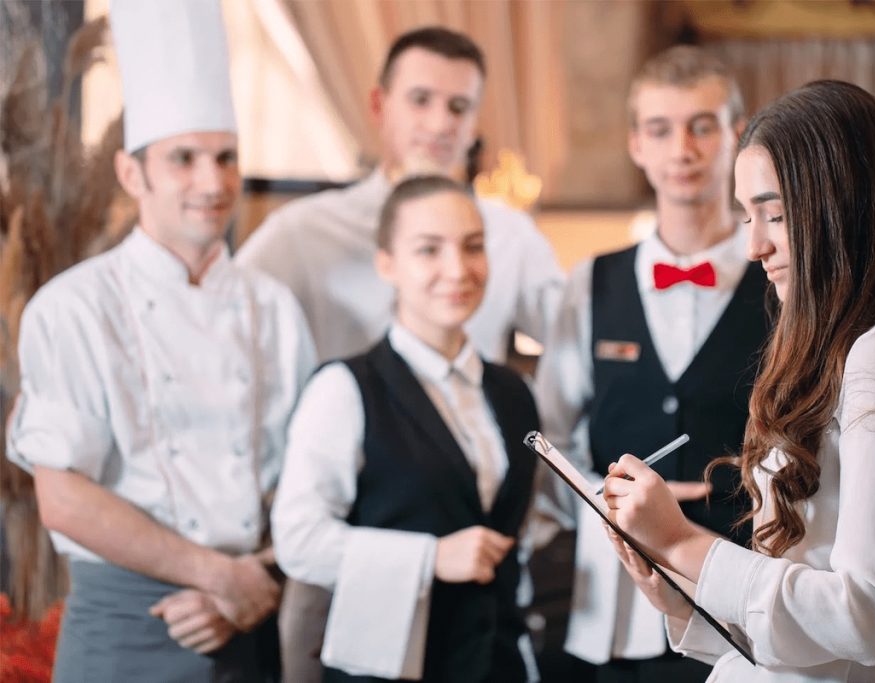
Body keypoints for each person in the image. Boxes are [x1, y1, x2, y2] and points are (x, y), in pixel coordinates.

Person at [601, 80, 875, 682]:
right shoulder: (857, 345)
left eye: (776, 214)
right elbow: (808, 610)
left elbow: (873, 616)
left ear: (845, 205)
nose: (756, 244)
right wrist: (681, 593)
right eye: (746, 216)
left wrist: (683, 541)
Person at [237, 27, 563, 680]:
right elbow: (232, 362)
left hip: (484, 616)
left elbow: (577, 358)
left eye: (458, 106)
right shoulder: (300, 236)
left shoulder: (513, 240)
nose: (440, 123)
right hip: (352, 587)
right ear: (380, 105)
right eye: (421, 100)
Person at [4, 1, 316, 680]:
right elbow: (64, 495)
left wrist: (248, 585)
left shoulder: (277, 309)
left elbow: (308, 483)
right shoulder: (73, 308)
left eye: (226, 157)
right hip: (126, 628)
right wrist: (217, 576)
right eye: (184, 159)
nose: (213, 182)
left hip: (250, 623)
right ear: (130, 173)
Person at [533, 46, 769, 681]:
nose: (682, 150)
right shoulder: (591, 283)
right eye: (660, 130)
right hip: (615, 599)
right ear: (636, 144)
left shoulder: (782, 281)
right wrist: (606, 504)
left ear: (737, 136)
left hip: (748, 584)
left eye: (701, 126)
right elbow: (552, 436)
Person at [272, 175, 540, 682]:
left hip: (496, 665)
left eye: (473, 247)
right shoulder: (344, 389)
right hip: (387, 667)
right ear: (387, 264)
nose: (457, 269)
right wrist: (430, 557)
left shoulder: (514, 393)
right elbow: (298, 540)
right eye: (428, 250)